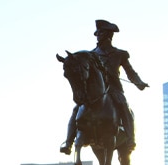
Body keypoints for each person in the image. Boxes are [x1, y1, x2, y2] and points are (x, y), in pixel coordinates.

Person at [60, 19, 149, 155]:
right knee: (76, 109)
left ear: (108, 35)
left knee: (124, 106)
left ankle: (130, 139)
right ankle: (68, 142)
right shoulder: (91, 54)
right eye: (97, 33)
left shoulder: (120, 54)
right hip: (95, 91)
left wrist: (139, 82)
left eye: (100, 33)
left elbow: (130, 72)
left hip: (114, 89)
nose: (97, 36)